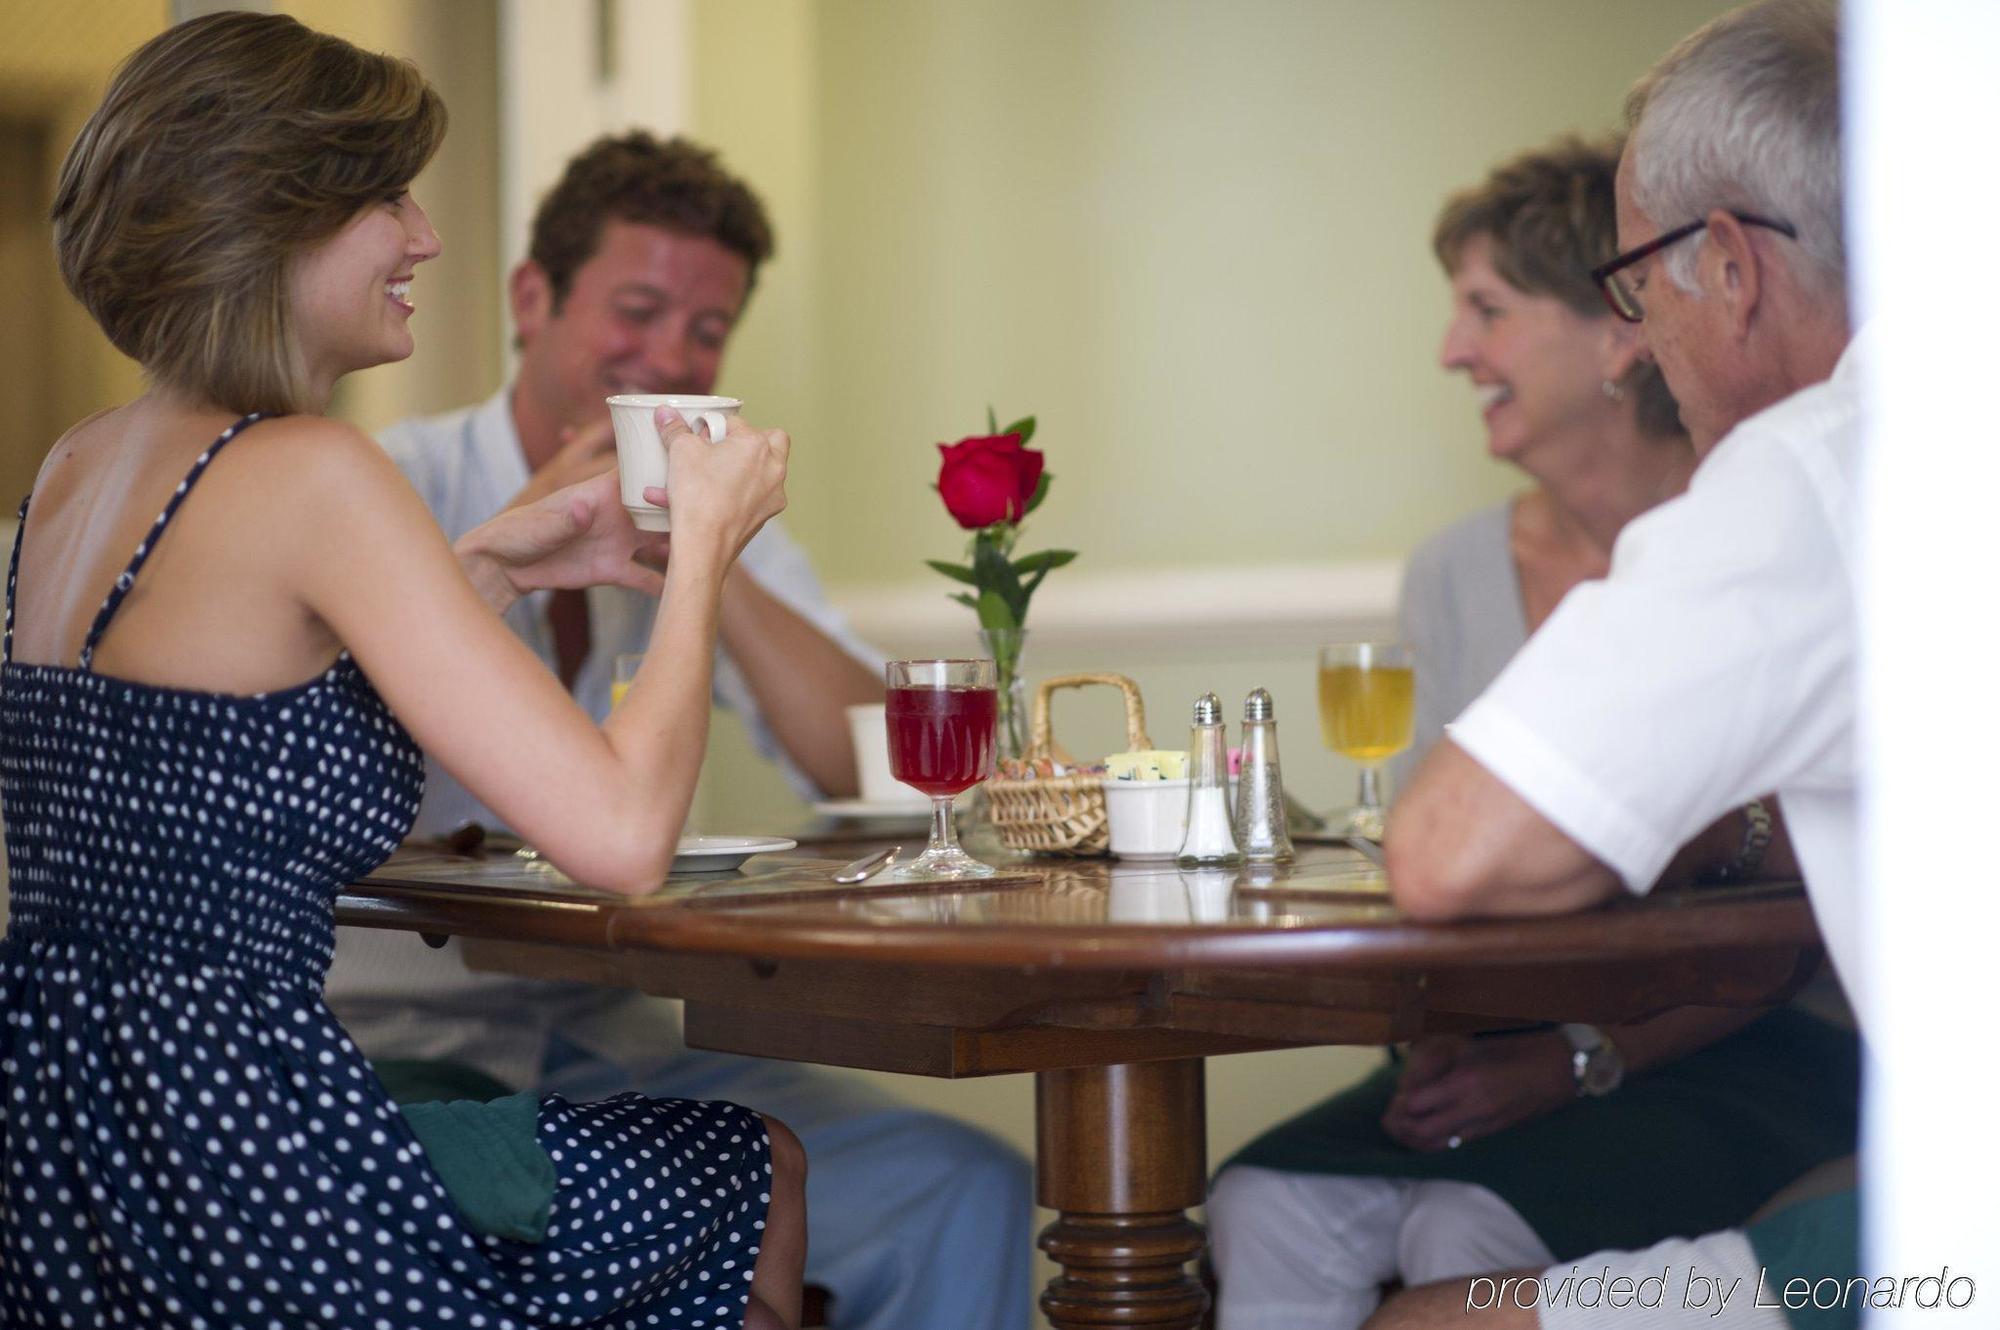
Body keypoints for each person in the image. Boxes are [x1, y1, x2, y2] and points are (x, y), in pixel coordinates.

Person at [0, 13, 808, 1328]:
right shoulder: (314, 474)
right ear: (274, 213)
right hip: (260, 1174)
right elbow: (622, 837)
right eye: (388, 195)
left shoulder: (80, 465)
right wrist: (708, 543)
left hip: (75, 1165)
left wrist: (481, 562)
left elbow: (226, 717)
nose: (425, 236)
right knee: (749, 1171)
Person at [323, 131, 1035, 1330]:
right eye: (637, 309)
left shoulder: (712, 525)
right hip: (385, 1038)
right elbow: (307, 739)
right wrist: (518, 538)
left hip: (604, 1031)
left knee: (966, 1186)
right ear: (531, 299)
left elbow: (874, 755)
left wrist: (708, 553)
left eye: (704, 334)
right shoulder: (388, 488)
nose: (667, 355)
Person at [1206, 136, 1859, 1330]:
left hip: (1735, 1043)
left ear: (1615, 331)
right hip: (1486, 1033)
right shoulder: (1454, 570)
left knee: (1459, 1224)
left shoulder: (1758, 523)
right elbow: (1434, 861)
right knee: (1256, 1201)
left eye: (1487, 310)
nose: (1452, 350)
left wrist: (1577, 1053)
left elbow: (1798, 903)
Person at [1376, 1, 1861, 1326]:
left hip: (1959, 1235)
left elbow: (1446, 851)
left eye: (1638, 286)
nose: (1640, 340)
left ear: (1731, 263)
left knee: (1422, 1320)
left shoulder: (1805, 470)